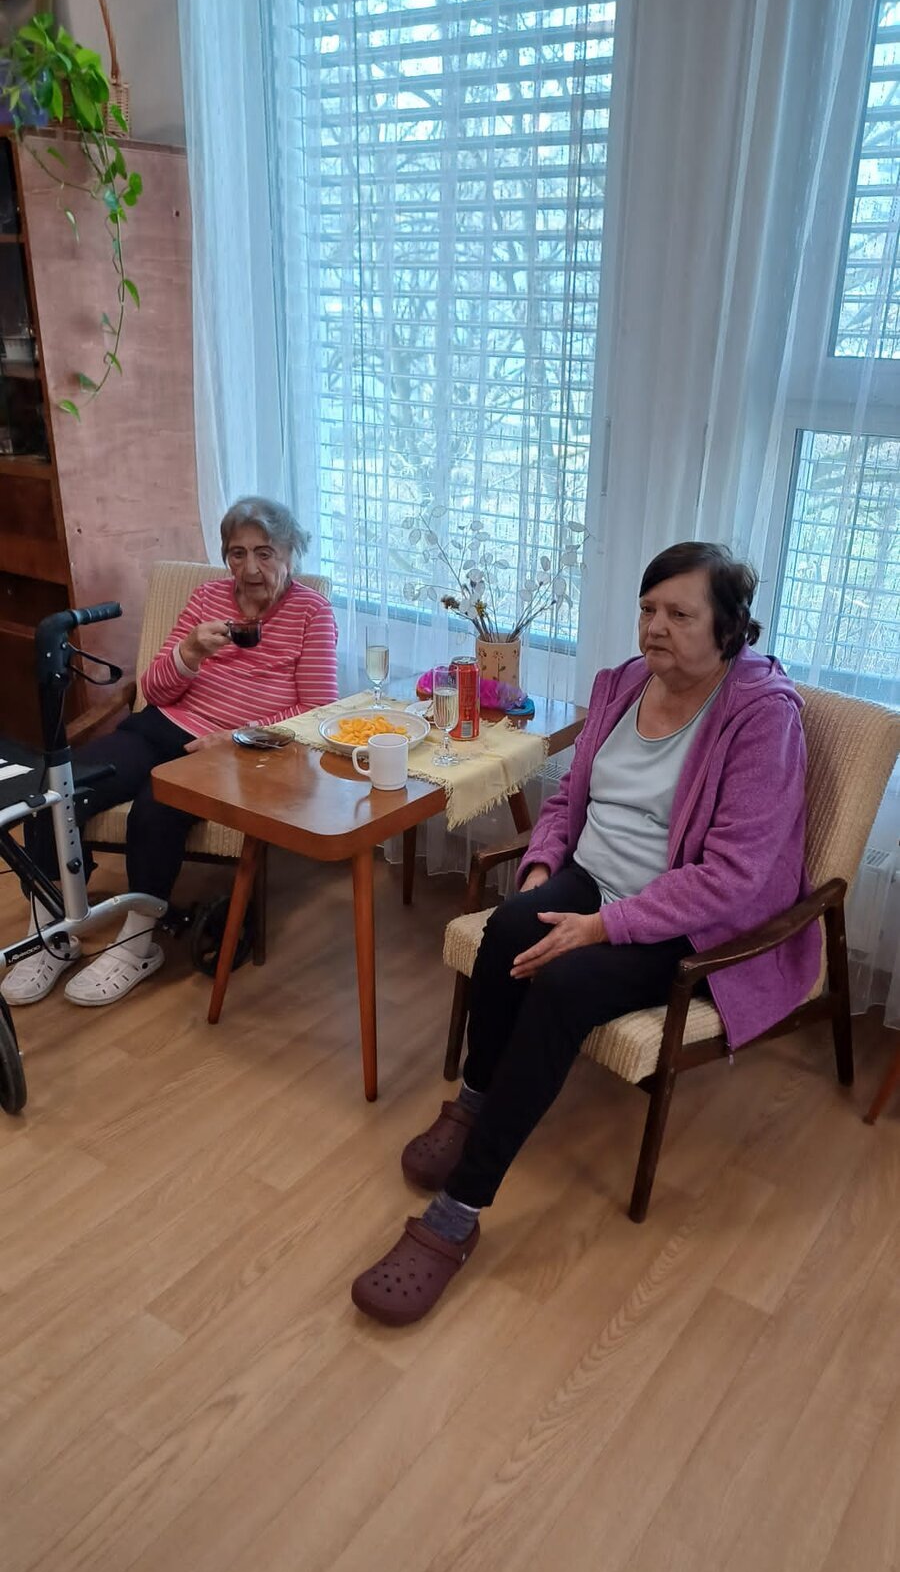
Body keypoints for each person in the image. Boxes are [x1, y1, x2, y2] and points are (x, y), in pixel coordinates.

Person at [351, 541, 821, 1326]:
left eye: (680, 614)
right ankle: (474, 1101)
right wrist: (541, 867)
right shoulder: (625, 683)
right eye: (647, 609)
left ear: (730, 628)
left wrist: (605, 927)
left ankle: (458, 1212)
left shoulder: (762, 718)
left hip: (688, 921)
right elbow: (571, 797)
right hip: (594, 877)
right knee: (509, 927)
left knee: (564, 986)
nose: (655, 627)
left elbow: (733, 876)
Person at [2, 496, 339, 1008]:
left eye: (265, 553)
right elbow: (155, 690)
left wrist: (235, 736)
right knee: (61, 791)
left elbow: (316, 712)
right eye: (238, 553)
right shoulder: (207, 598)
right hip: (161, 727)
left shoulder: (311, 612)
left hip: (234, 752)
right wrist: (190, 652)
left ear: (292, 553)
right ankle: (51, 928)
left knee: (154, 811)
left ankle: (138, 944)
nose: (250, 568)